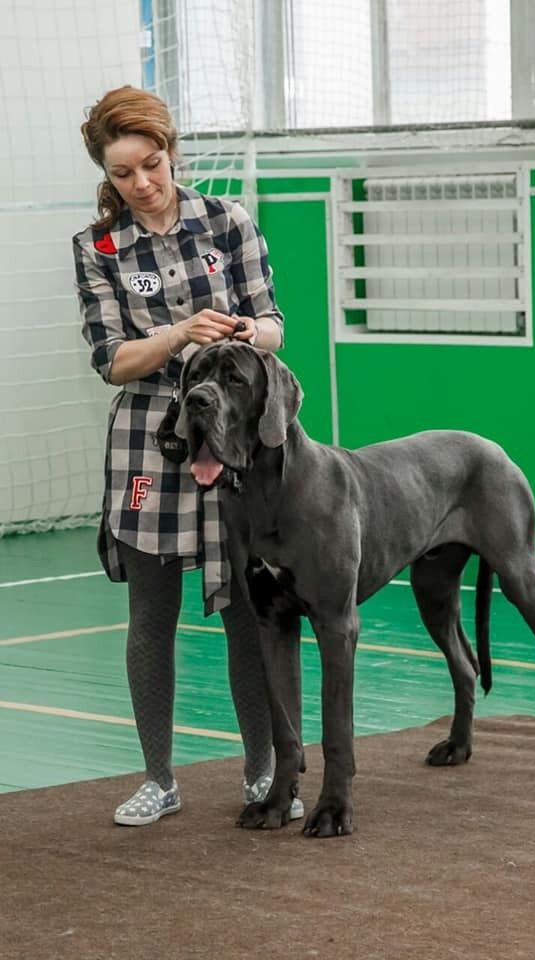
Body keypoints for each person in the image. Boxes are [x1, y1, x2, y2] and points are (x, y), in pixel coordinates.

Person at [73, 85, 302, 826]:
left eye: (152, 164)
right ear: (106, 176)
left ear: (171, 153)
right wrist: (177, 334)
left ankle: (263, 774)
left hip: (235, 437)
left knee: (246, 613)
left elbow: (274, 326)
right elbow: (112, 361)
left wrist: (243, 331)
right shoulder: (98, 248)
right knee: (151, 615)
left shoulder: (227, 221)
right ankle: (159, 780)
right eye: (122, 173)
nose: (141, 183)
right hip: (148, 444)